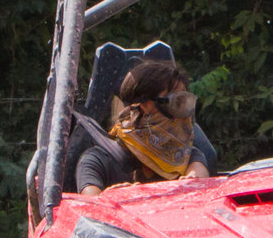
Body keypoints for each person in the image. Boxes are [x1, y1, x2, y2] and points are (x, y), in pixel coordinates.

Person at [76, 58, 217, 192]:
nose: (182, 116)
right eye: (175, 103)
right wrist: (111, 199)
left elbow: (197, 182)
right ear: (143, 106)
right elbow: (91, 207)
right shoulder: (97, 162)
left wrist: (192, 183)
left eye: (185, 104)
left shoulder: (186, 157)